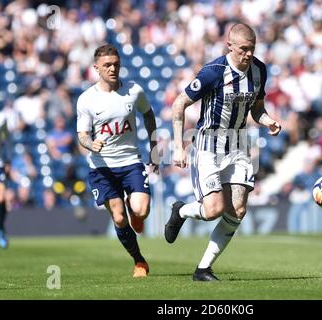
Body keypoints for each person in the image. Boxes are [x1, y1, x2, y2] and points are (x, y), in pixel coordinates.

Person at [165, 23, 282, 281]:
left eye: (252, 49)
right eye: (243, 49)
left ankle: (203, 269)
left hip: (239, 144)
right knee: (213, 210)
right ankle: (182, 211)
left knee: (238, 210)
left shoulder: (259, 70)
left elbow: (257, 109)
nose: (248, 54)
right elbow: (179, 104)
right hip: (209, 146)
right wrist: (178, 146)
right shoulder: (213, 72)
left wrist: (268, 120)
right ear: (230, 46)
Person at [76, 44, 158, 278]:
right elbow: (82, 135)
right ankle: (139, 261)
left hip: (131, 161)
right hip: (102, 166)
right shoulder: (86, 99)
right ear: (96, 68)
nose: (112, 69)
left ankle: (137, 215)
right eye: (107, 65)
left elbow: (148, 114)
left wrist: (155, 150)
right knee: (119, 217)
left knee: (140, 210)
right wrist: (91, 144)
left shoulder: (134, 91)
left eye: (116, 64)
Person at [0, 104, 11, 250]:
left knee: (0, 198)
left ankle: (0, 228)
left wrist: (8, 159)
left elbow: (8, 139)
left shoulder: (0, 119)